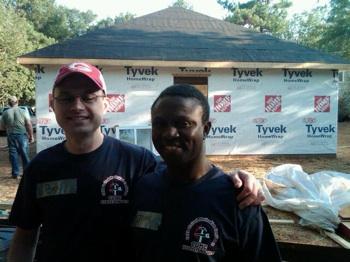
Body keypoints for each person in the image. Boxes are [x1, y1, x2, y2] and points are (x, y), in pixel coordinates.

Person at [8, 62, 263, 262]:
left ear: (105, 103)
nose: (77, 106)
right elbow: (24, 238)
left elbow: (190, 177)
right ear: (53, 104)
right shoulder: (40, 167)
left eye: (88, 96)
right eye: (66, 98)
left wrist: (237, 179)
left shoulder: (138, 161)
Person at [131, 84, 282, 261]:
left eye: (184, 124)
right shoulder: (144, 187)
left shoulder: (239, 200)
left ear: (206, 129)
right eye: (160, 124)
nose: (169, 133)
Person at [0, 96, 34, 179]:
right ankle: (27, 173)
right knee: (24, 154)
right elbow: (28, 124)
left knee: (13, 155)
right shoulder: (23, 111)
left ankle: (15, 174)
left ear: (8, 103)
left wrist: (8, 127)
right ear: (17, 102)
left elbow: (1, 127)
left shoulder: (5, 113)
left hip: (11, 135)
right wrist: (31, 136)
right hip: (22, 135)